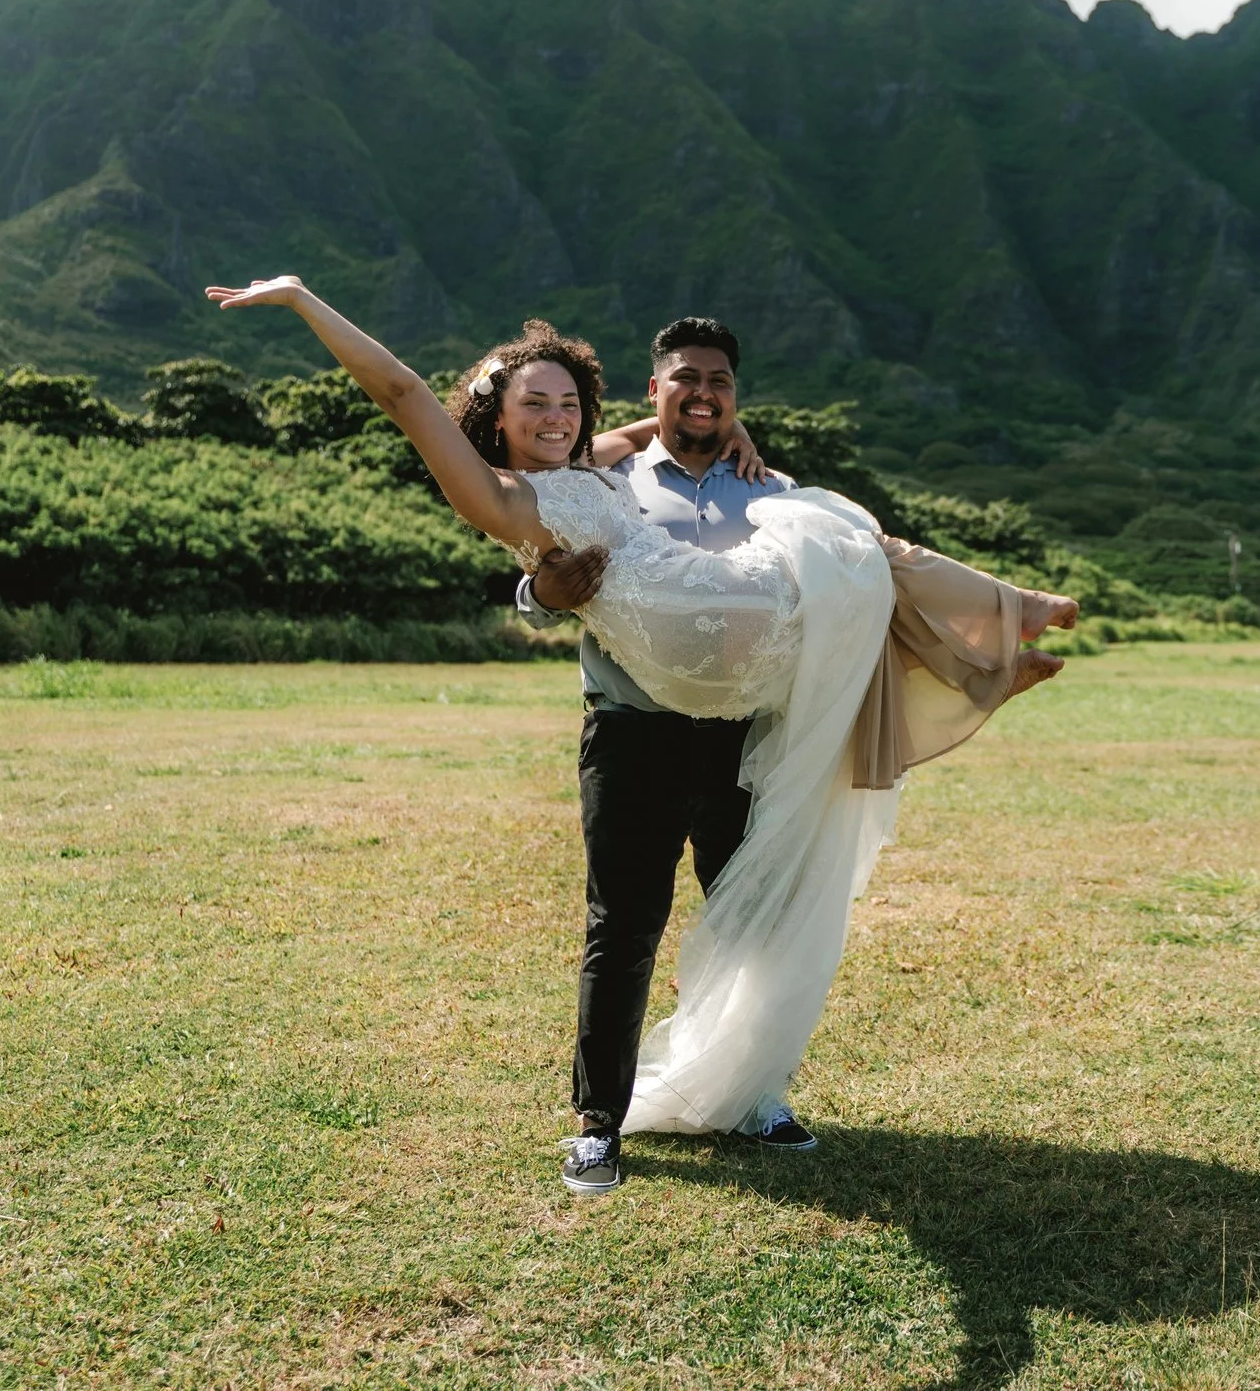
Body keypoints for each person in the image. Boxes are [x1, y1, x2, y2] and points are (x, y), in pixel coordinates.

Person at [207, 279, 1074, 1195]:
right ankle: (597, 1122)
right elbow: (402, 394)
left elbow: (656, 429)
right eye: (531, 402)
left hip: (742, 722)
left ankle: (753, 1092)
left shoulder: (611, 464)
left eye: (567, 402)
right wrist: (304, 300)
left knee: (760, 902)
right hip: (635, 732)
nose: (552, 416)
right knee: (623, 930)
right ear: (492, 418)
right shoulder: (506, 494)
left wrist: (718, 434)